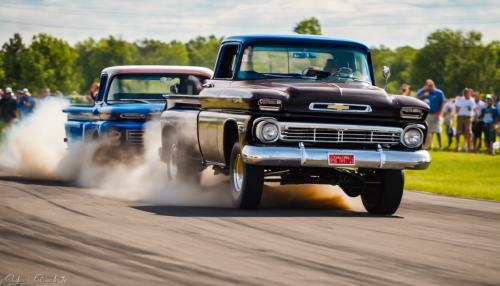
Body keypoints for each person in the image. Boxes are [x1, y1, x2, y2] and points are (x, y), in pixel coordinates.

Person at [416, 79, 445, 149]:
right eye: (427, 85)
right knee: (428, 130)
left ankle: (440, 145)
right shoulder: (423, 92)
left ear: (433, 85)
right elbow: (417, 98)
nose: (429, 87)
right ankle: (428, 145)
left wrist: (439, 113)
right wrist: (423, 93)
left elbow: (442, 103)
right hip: (426, 114)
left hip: (436, 113)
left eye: (430, 85)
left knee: (437, 130)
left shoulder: (438, 92)